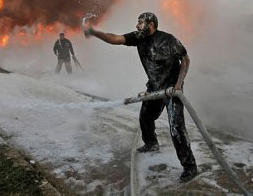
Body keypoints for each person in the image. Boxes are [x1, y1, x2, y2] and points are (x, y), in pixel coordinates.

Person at [83, 12, 198, 183]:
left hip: (173, 90)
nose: (137, 26)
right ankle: (151, 143)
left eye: (140, 22)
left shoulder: (168, 40)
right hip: (154, 88)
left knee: (176, 128)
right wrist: (94, 32)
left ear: (151, 24)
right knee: (145, 116)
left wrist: (179, 84)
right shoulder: (138, 38)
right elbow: (115, 39)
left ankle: (190, 168)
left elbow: (185, 59)